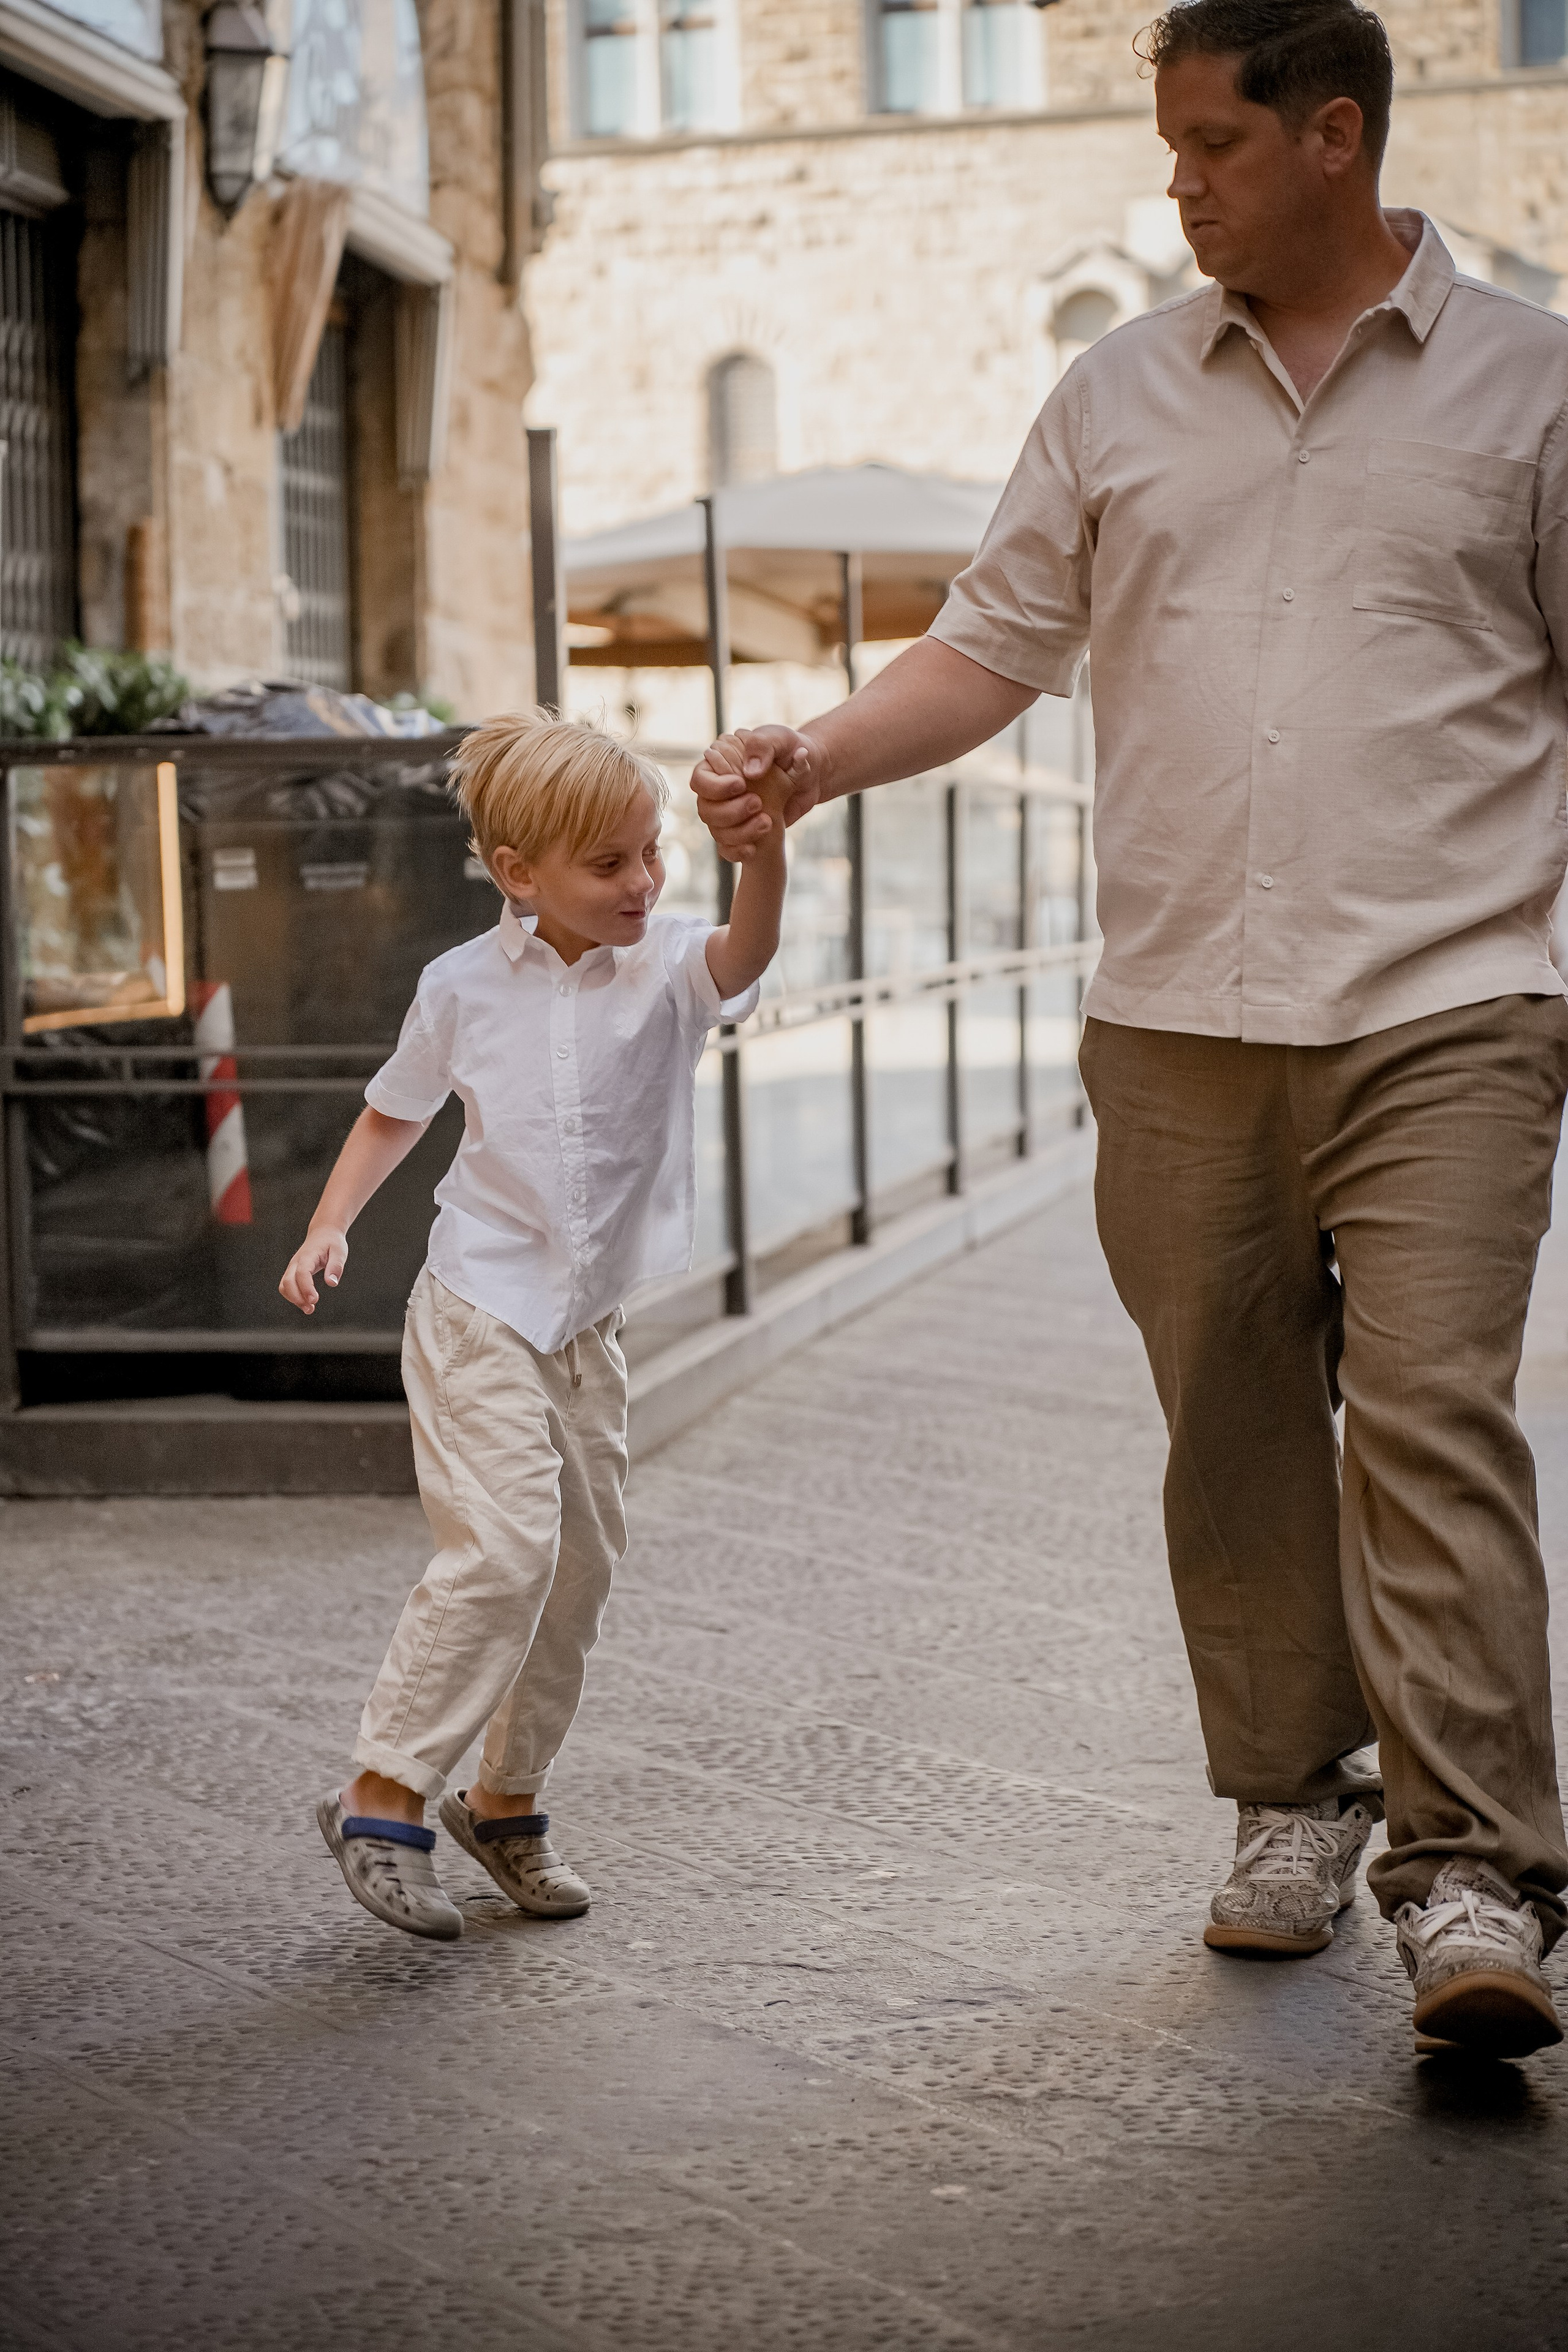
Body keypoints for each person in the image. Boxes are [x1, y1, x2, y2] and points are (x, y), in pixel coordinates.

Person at [693, 0, 1568, 2057]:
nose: (1173, 182)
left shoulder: (1535, 390)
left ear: (1332, 136)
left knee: (1436, 1417)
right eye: (1168, 144)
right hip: (1174, 1011)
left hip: (1452, 997)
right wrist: (805, 760)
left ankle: (1477, 1878)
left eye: (1207, 144)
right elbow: (992, 647)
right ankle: (1289, 1802)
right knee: (1234, 1425)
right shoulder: (1114, 396)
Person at [281, 712, 785, 1939]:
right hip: (477, 1305)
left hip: (581, 1326)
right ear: (519, 873)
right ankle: (382, 1793)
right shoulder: (456, 987)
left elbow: (744, 948)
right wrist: (328, 1223)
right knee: (504, 1550)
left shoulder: (667, 964)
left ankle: (501, 1807)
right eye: (609, 863)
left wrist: (759, 854)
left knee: (576, 1574)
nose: (641, 882)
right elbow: (396, 1111)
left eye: (649, 854)